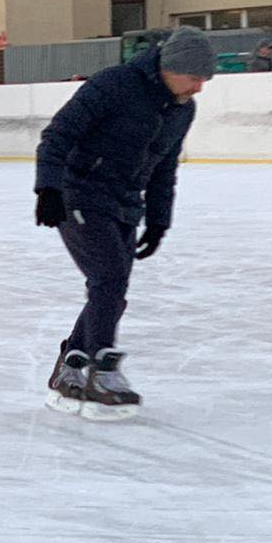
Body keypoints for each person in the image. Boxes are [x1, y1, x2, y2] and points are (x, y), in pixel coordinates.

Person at [34, 24, 213, 419]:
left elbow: (164, 168)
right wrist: (48, 188)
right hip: (78, 193)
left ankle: (70, 368)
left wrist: (159, 220)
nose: (199, 87)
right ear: (170, 66)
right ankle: (102, 372)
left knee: (111, 289)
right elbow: (58, 135)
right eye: (194, 77)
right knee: (110, 279)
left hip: (125, 203)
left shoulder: (182, 109)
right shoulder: (114, 85)